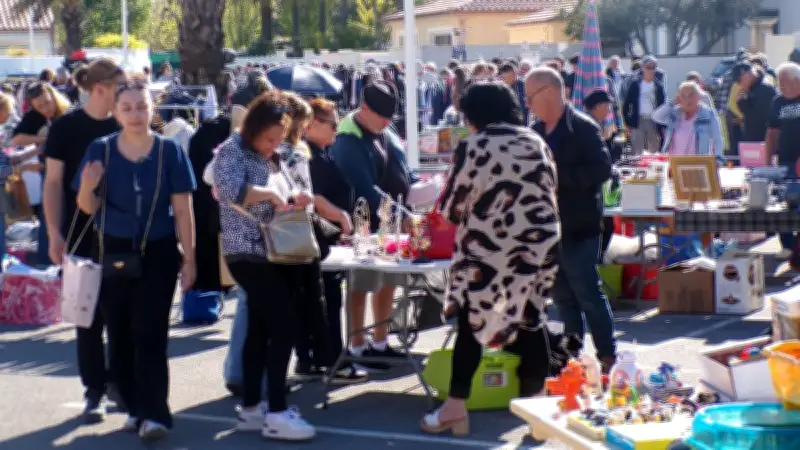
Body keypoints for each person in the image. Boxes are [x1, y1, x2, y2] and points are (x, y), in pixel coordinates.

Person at [421, 82, 580, 436]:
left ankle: (455, 407)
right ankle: (538, 409)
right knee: (531, 315)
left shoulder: (474, 145)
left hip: (491, 244)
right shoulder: (535, 140)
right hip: (541, 241)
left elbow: (451, 207)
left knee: (472, 320)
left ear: (474, 113)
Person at [74, 79, 196, 440]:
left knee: (151, 332)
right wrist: (86, 186)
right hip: (112, 249)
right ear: (115, 112)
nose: (135, 115)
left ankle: (155, 414)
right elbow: (87, 208)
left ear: (152, 108)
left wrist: (190, 259)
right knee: (121, 334)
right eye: (126, 108)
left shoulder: (169, 151)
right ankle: (132, 406)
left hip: (158, 251)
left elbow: (183, 209)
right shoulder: (101, 149)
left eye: (142, 107)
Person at [214, 91, 317, 441]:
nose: (274, 145)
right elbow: (227, 188)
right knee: (284, 323)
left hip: (275, 252)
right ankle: (275, 409)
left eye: (279, 138)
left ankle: (252, 408)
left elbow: (294, 191)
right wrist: (270, 195)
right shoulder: (232, 150)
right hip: (247, 251)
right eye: (270, 138)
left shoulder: (275, 156)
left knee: (260, 328)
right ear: (254, 128)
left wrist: (298, 198)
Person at [42, 57, 127, 423]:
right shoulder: (66, 127)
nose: (125, 96)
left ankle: (121, 385)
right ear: (98, 89)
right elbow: (53, 182)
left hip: (123, 233)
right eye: (119, 88)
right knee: (87, 317)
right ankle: (94, 390)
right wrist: (53, 232)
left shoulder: (128, 122)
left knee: (123, 314)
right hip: (79, 234)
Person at [527, 67, 617, 372]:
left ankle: (607, 355)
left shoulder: (582, 126)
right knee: (562, 297)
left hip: (580, 227)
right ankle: (571, 355)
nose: (528, 104)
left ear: (550, 92)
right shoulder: (535, 131)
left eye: (531, 97)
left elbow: (602, 169)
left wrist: (558, 177)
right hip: (548, 229)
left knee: (587, 291)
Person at [330, 81, 420, 372]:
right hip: (364, 223)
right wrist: (401, 211)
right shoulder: (347, 138)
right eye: (381, 117)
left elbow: (401, 170)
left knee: (388, 282)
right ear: (364, 109)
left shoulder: (383, 128)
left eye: (389, 118)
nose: (385, 122)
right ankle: (358, 346)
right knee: (362, 285)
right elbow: (363, 186)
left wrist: (421, 186)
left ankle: (380, 342)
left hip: (392, 223)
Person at [295, 98, 367, 384]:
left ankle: (311, 358)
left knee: (318, 299)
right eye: (333, 124)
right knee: (326, 298)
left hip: (325, 236)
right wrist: (342, 217)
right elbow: (315, 196)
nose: (337, 129)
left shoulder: (320, 152)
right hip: (319, 237)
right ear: (312, 124)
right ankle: (330, 359)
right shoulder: (308, 155)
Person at [766, 62, 800, 254]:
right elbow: (771, 132)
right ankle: (787, 245)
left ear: (797, 80)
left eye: (784, 82)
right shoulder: (778, 101)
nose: (780, 86)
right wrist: (767, 163)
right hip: (785, 162)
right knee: (783, 204)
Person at [651, 81, 724, 159]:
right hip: (675, 164)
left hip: (699, 164)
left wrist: (717, 160)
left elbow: (717, 140)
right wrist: (673, 102)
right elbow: (656, 116)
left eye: (691, 95)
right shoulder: (675, 114)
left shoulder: (709, 114)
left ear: (699, 96)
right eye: (683, 96)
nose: (687, 99)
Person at [622, 55, 666, 155]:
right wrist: (627, 123)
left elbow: (663, 106)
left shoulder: (658, 86)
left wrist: (662, 124)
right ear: (643, 68)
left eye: (653, 67)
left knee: (654, 150)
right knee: (638, 151)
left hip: (654, 120)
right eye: (648, 67)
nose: (651, 70)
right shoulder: (635, 84)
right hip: (638, 120)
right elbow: (627, 104)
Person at [734, 62, 778, 144]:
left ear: (748, 74)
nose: (740, 85)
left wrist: (742, 102)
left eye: (739, 80)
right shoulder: (753, 88)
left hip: (764, 141)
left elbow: (757, 119)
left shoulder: (764, 88)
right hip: (756, 141)